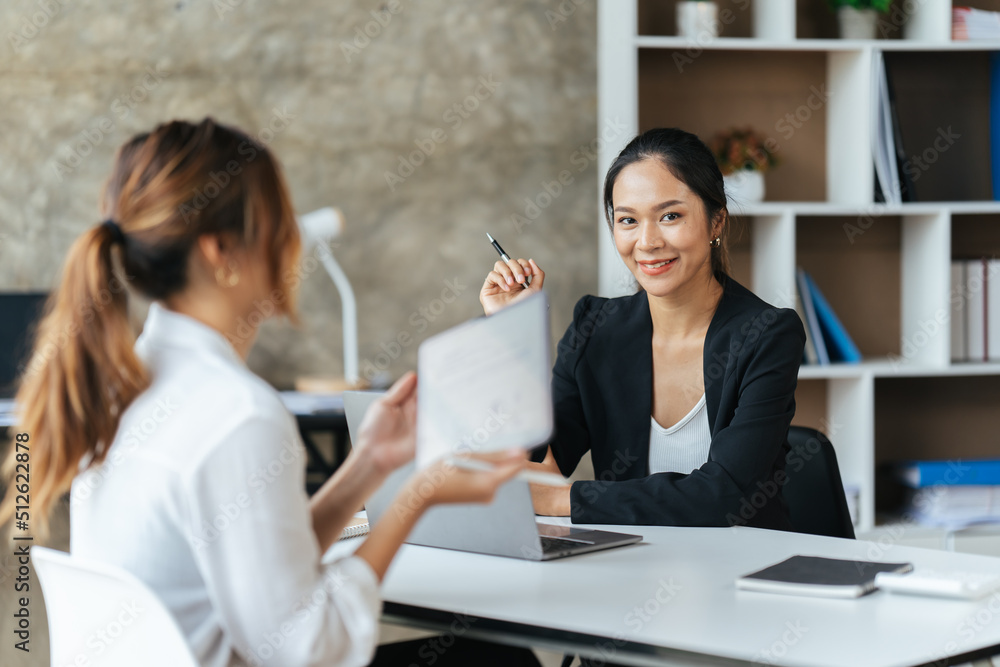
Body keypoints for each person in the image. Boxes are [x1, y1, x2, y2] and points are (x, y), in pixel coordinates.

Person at [0, 118, 541, 667]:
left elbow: (262, 569)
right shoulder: (236, 414)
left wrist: (369, 465)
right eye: (281, 223)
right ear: (220, 252)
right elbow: (309, 649)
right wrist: (416, 497)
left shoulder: (126, 382)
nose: (293, 244)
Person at [480, 127, 805, 530]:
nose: (647, 241)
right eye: (628, 220)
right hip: (629, 567)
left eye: (670, 216)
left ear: (716, 221)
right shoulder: (596, 327)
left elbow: (726, 495)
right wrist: (513, 334)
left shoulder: (767, 334)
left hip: (743, 573)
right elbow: (536, 462)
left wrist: (563, 499)